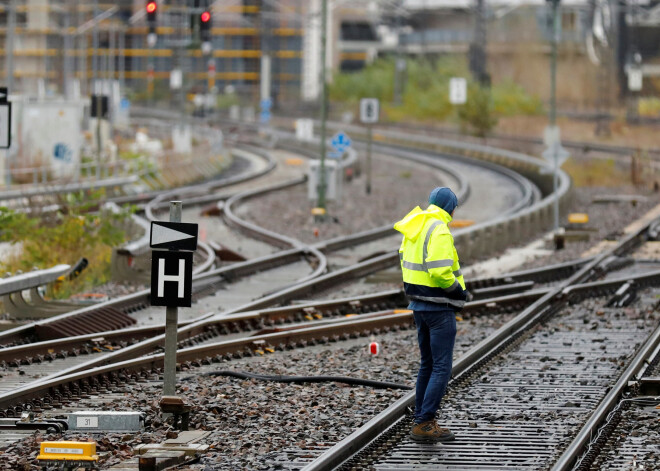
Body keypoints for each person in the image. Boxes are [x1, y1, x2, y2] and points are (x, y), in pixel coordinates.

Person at [393, 187, 468, 443]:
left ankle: (421, 420)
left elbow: (403, 259)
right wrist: (457, 291)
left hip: (419, 305)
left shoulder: (417, 225)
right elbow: (439, 270)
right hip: (438, 307)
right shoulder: (439, 229)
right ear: (450, 208)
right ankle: (425, 422)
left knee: (427, 364)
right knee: (441, 367)